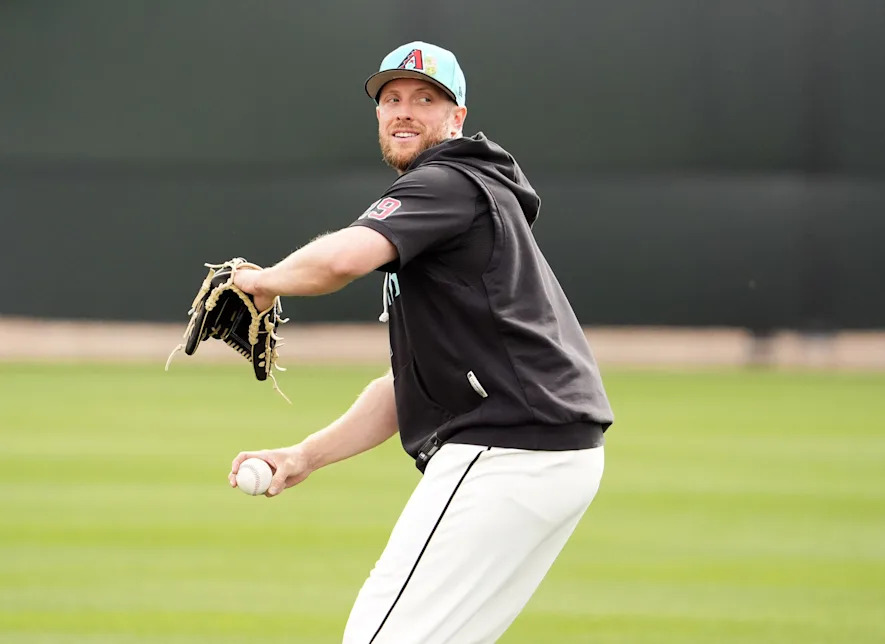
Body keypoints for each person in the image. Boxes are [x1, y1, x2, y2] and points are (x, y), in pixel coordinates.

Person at [228, 40, 614, 643]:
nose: (404, 110)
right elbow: (406, 386)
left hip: (506, 451)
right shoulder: (462, 198)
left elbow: (341, 260)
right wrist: (304, 456)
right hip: (548, 453)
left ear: (456, 117)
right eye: (392, 99)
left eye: (425, 99)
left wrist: (262, 282)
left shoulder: (446, 183)